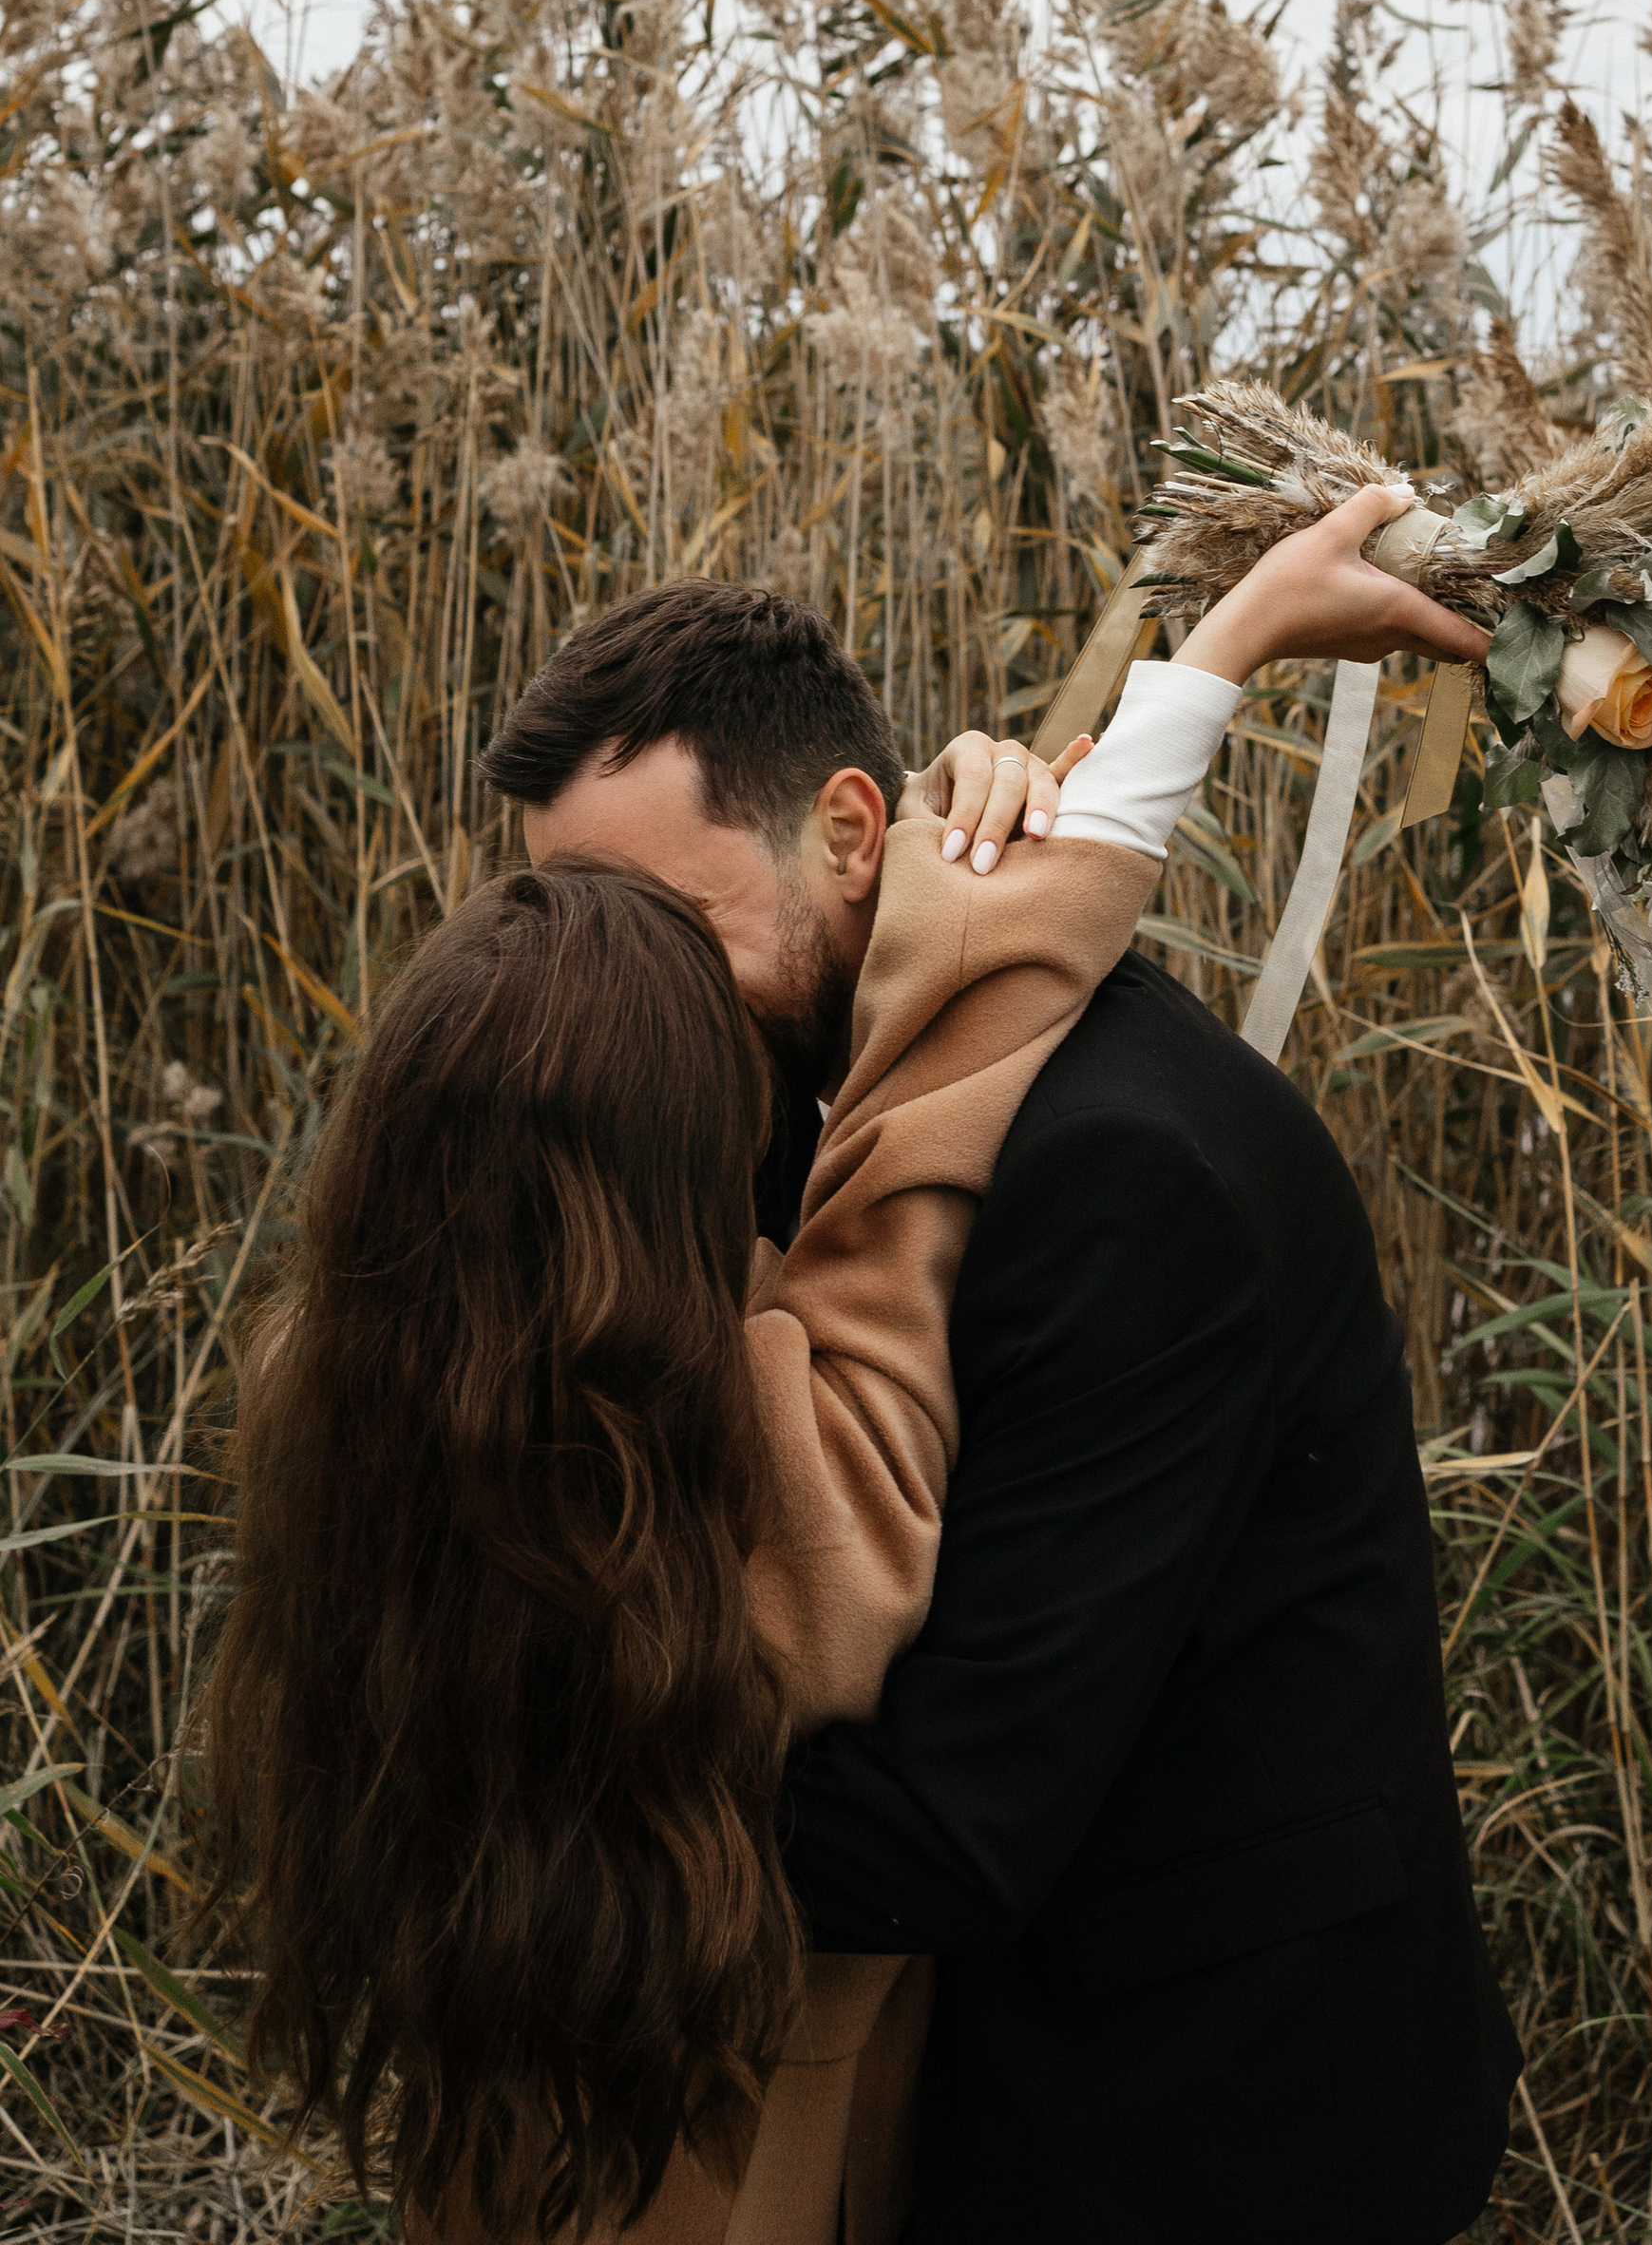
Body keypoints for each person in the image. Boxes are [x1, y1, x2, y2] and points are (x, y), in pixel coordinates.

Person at [480, 509, 1519, 2245]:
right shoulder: (849, 1042)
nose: (618, 993)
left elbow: (951, 1829)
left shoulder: (1121, 1174)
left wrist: (510, 1785)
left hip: (1210, 2112)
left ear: (850, 832)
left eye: (659, 927)